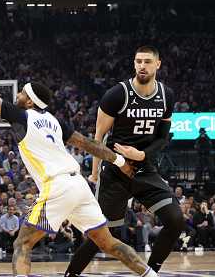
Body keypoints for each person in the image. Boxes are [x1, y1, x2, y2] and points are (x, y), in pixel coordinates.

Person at [0, 30, 160, 277]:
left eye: (21, 94)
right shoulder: (55, 121)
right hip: (79, 186)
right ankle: (151, 275)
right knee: (109, 243)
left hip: (58, 185)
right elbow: (86, 143)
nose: (16, 96)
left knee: (22, 244)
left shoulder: (21, 116)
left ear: (30, 102)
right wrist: (118, 159)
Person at [68, 46, 184, 276]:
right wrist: (94, 173)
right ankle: (71, 274)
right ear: (134, 63)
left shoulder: (166, 95)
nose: (142, 66)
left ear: (157, 64)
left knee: (176, 220)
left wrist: (141, 155)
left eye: (148, 61)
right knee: (100, 236)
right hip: (115, 170)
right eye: (139, 61)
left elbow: (163, 138)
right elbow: (98, 138)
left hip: (144, 167)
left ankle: (151, 271)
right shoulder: (117, 94)